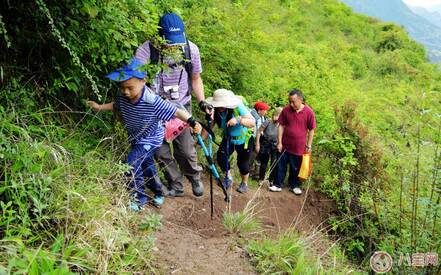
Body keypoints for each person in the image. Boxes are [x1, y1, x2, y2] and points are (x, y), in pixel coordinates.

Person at [87, 58, 201, 211]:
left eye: (129, 87)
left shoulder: (152, 100)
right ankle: (158, 191)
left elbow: (176, 111)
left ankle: (138, 198)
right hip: (136, 137)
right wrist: (99, 107)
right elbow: (116, 105)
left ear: (143, 81)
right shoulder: (123, 97)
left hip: (151, 138)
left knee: (132, 162)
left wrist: (193, 122)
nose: (126, 92)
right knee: (147, 166)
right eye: (122, 87)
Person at [135, 12, 211, 198]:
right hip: (155, 107)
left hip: (182, 105)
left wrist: (202, 101)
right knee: (160, 151)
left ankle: (194, 177)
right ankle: (176, 184)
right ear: (160, 36)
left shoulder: (190, 49)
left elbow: (196, 78)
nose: (174, 45)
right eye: (170, 41)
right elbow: (137, 81)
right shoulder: (146, 51)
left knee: (185, 149)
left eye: (177, 41)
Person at [205, 89, 255, 193]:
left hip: (244, 139)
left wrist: (238, 120)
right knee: (221, 157)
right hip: (229, 138)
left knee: (243, 164)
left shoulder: (238, 106)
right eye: (218, 104)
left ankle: (244, 183)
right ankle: (228, 178)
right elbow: (209, 126)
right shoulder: (215, 110)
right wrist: (200, 141)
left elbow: (252, 122)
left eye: (222, 104)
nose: (220, 106)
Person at [273, 89, 316, 195]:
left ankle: (294, 185)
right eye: (290, 101)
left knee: (295, 167)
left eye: (293, 102)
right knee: (280, 165)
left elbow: (311, 130)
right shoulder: (286, 110)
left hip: (299, 147)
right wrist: (279, 142)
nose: (291, 104)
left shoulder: (309, 112)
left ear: (301, 100)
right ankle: (277, 184)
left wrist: (309, 145)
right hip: (285, 145)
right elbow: (281, 126)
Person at [255, 107, 283, 187]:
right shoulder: (268, 122)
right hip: (266, 144)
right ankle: (261, 179)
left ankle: (271, 180)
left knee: (274, 163)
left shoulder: (282, 124)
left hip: (275, 145)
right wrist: (257, 144)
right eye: (277, 115)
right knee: (264, 163)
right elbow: (259, 131)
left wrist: (280, 144)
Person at [249, 101, 270, 178]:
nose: (266, 112)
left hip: (259, 139)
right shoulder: (253, 116)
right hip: (251, 139)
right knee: (251, 155)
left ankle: (254, 173)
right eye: (265, 110)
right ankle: (248, 172)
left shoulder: (262, 117)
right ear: (259, 110)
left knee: (256, 156)